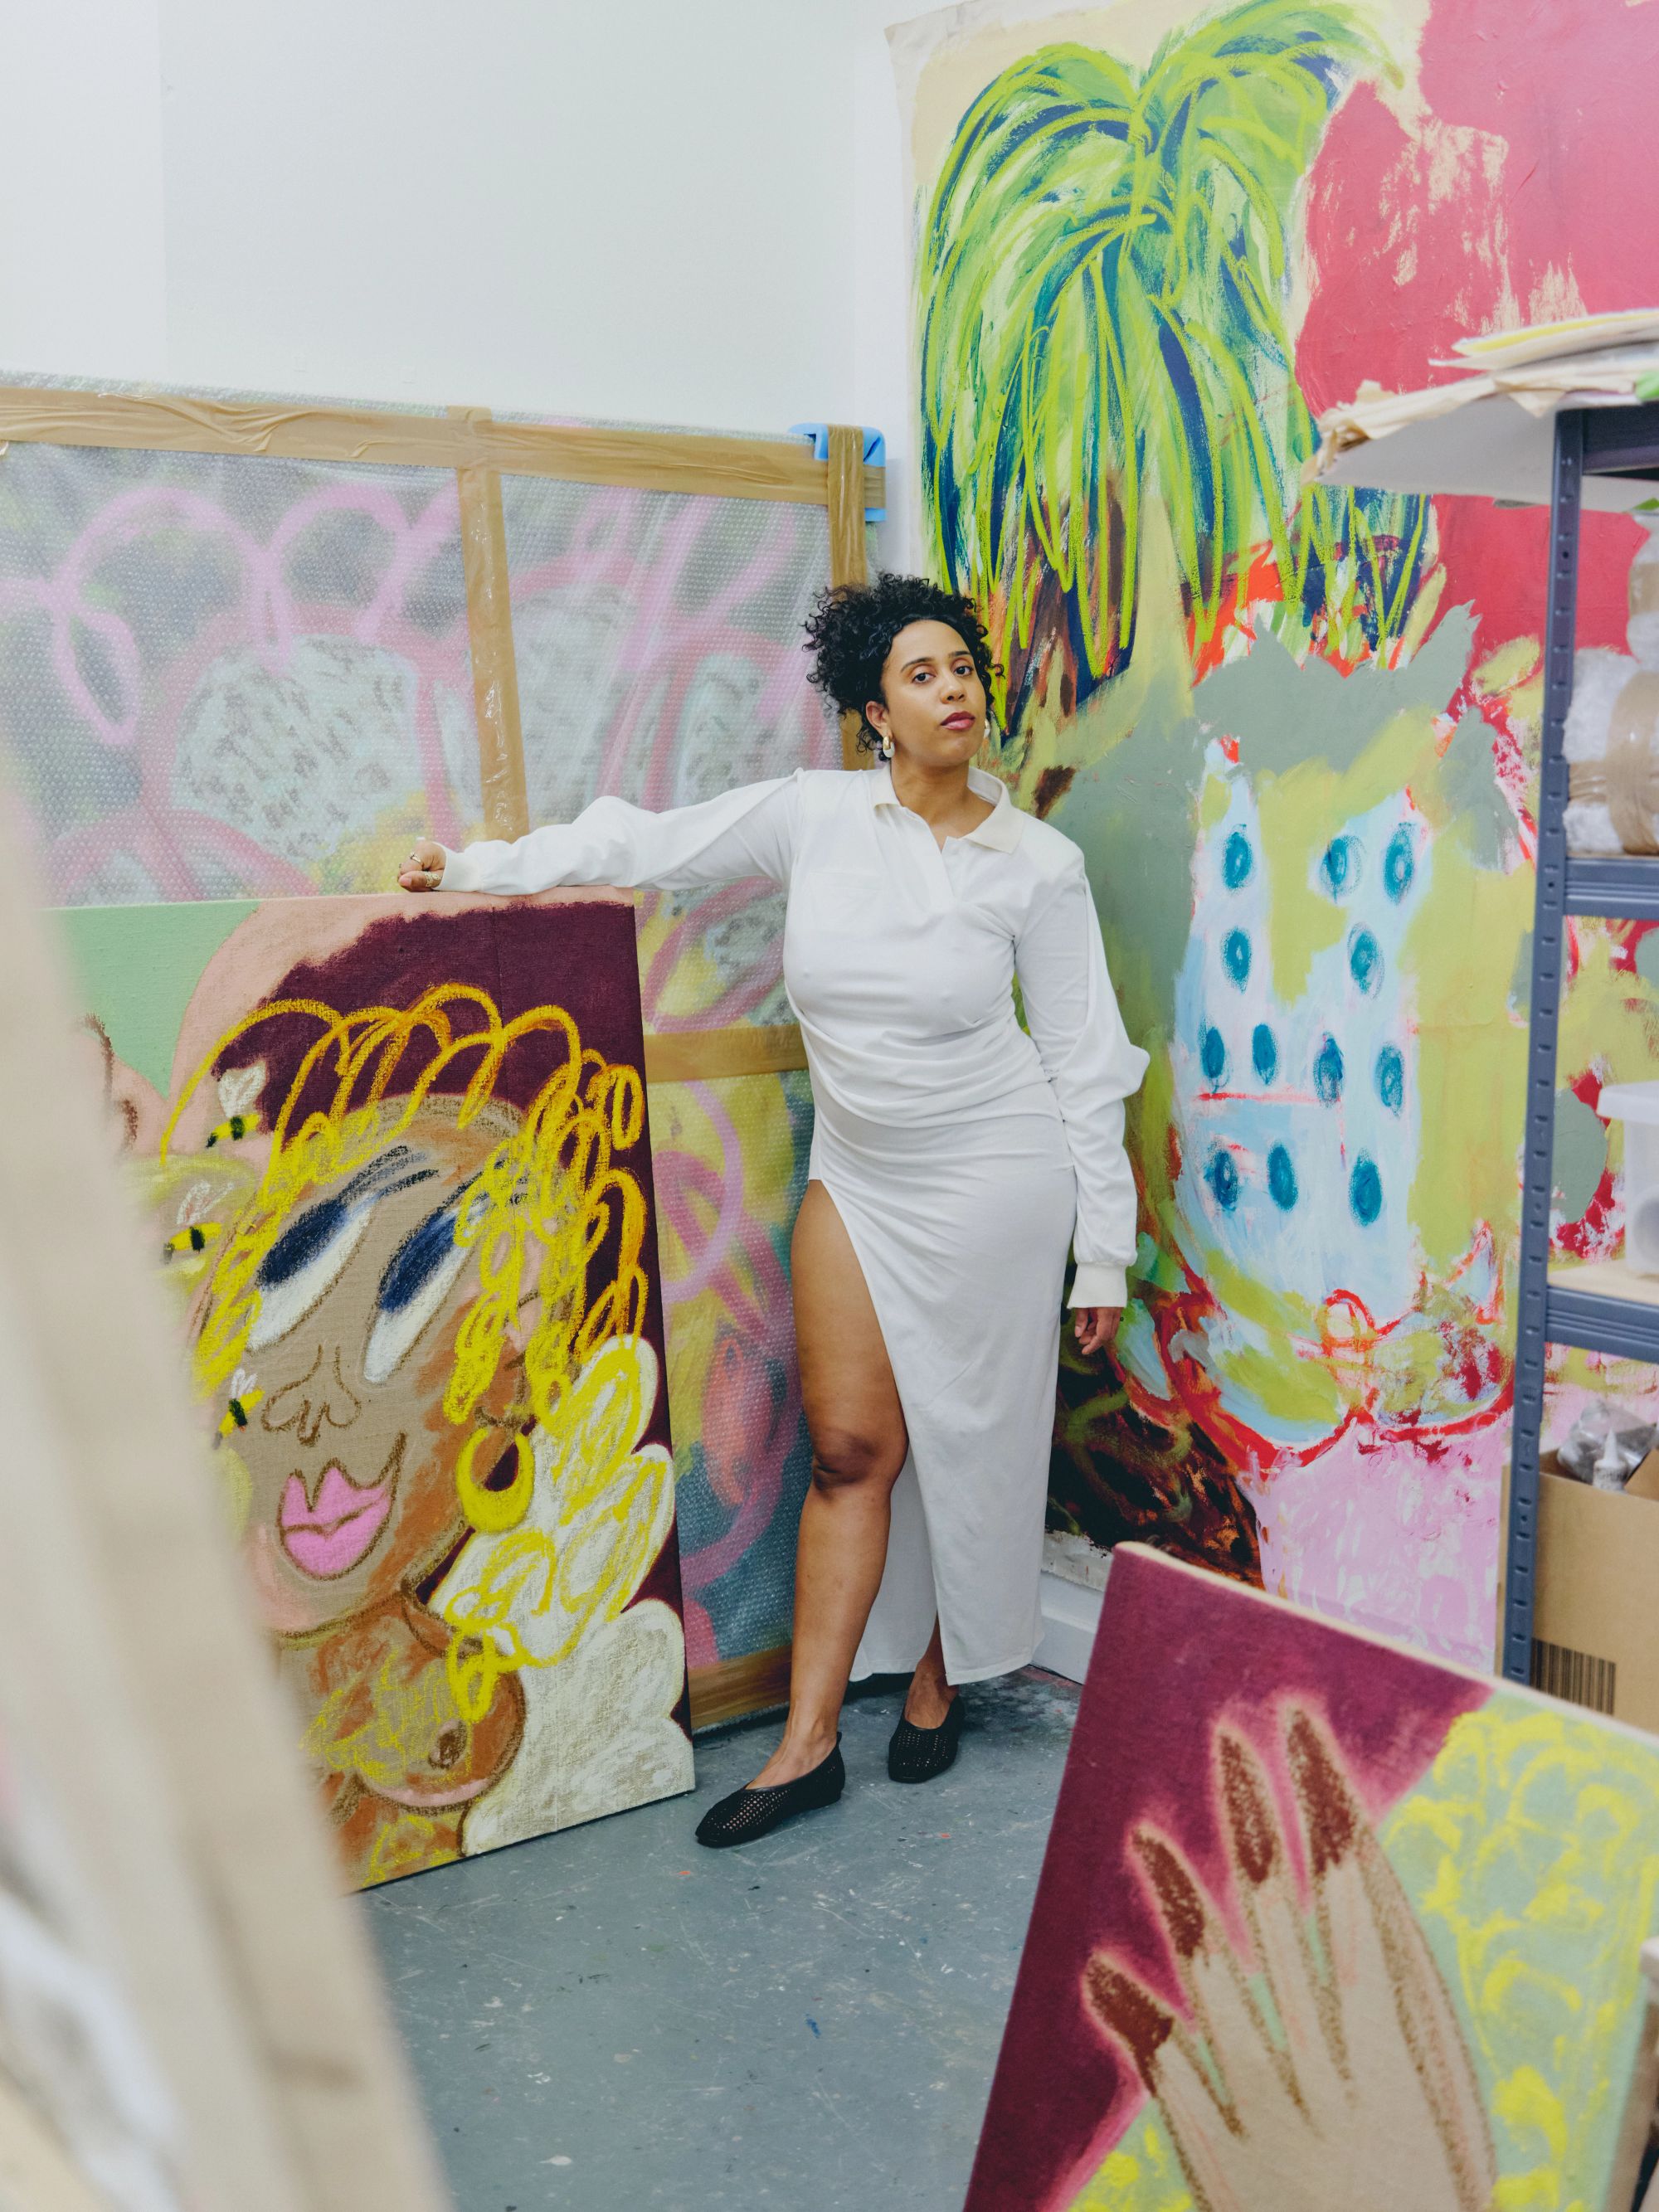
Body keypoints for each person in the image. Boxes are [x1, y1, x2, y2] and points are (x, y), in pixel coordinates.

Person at [399, 572, 1148, 1847]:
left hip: (997, 1181)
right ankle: (806, 1746)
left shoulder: (1039, 864)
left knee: (975, 1442)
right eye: (923, 674)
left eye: (964, 668)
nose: (956, 689)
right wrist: (473, 871)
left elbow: (1086, 1058)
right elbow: (645, 842)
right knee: (852, 1448)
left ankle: (937, 1677)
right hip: (861, 1177)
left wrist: (1104, 1256)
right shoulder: (817, 819)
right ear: (874, 711)